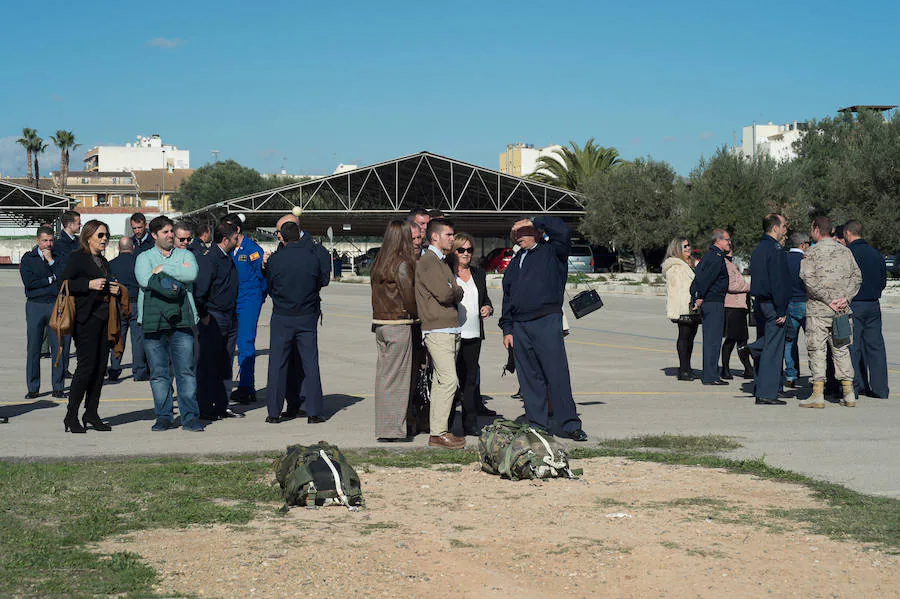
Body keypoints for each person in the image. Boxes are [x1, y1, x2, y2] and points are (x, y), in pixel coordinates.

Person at [499, 216, 587, 441]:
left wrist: (535, 219)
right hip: (520, 326)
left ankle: (569, 424)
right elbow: (507, 297)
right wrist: (507, 328)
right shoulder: (516, 262)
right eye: (516, 235)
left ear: (536, 232)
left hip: (546, 321)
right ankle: (538, 423)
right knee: (529, 378)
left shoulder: (552, 251)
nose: (520, 238)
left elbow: (564, 231)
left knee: (556, 374)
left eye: (524, 232)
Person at [135, 216, 204, 432]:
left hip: (182, 322)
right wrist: (175, 272)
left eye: (171, 231)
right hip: (153, 323)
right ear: (154, 235)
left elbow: (191, 273)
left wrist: (163, 268)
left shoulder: (186, 254)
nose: (170, 235)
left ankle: (190, 416)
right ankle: (164, 415)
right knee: (159, 373)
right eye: (165, 232)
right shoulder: (144, 257)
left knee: (186, 371)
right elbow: (145, 280)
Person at [264, 221, 331, 423]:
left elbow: (269, 286)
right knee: (310, 363)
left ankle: (274, 413)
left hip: (282, 315)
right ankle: (313, 412)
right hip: (306, 315)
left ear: (282, 238)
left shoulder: (275, 259)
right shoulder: (313, 258)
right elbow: (321, 281)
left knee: (277, 364)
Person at [61, 220, 123, 433]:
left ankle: (91, 413)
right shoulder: (78, 258)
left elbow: (106, 285)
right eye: (100, 235)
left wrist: (114, 289)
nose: (105, 239)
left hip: (104, 320)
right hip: (85, 320)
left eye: (106, 235)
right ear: (88, 237)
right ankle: (71, 415)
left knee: (99, 370)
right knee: (85, 368)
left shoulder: (104, 262)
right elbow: (64, 283)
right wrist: (87, 285)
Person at [799, 216, 862, 408]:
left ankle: (817, 394)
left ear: (817, 229)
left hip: (818, 311)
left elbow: (807, 278)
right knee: (842, 349)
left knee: (817, 350)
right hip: (841, 310)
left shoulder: (812, 252)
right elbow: (857, 277)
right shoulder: (845, 252)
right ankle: (849, 393)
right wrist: (845, 298)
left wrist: (828, 299)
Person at [415, 218, 466, 448]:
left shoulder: (442, 261)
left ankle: (437, 430)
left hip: (449, 328)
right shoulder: (428, 261)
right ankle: (438, 432)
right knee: (448, 380)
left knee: (440, 381)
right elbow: (446, 294)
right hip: (438, 329)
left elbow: (451, 291)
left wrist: (453, 290)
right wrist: (455, 291)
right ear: (435, 236)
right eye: (449, 235)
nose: (452, 239)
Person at [371, 220, 418, 441]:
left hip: (381, 323)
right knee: (398, 380)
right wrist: (418, 315)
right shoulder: (402, 264)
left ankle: (383, 427)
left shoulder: (379, 262)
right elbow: (409, 298)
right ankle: (394, 431)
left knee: (384, 379)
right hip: (399, 324)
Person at [194, 223, 243, 421]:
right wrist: (204, 315)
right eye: (234, 238)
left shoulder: (227, 258)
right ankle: (205, 407)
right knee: (208, 364)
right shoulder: (211, 259)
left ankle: (222, 405)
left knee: (225, 364)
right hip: (214, 317)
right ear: (225, 239)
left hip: (230, 317)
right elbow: (200, 291)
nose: (237, 241)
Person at [447, 232, 493, 436]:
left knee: (470, 381)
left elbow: (485, 299)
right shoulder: (447, 272)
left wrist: (487, 307)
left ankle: (470, 423)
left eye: (469, 250)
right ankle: (445, 423)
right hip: (451, 334)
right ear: (453, 251)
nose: (466, 254)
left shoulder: (479, 274)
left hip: (473, 334)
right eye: (461, 250)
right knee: (448, 381)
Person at [222, 214, 267, 404]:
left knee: (246, 344)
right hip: (232, 301)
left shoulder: (252, 250)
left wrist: (258, 299)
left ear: (237, 230)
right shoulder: (228, 250)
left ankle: (247, 387)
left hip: (248, 301)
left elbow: (263, 277)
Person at [748, 213, 791, 405]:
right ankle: (766, 393)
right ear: (775, 228)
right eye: (783, 226)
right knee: (773, 350)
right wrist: (782, 310)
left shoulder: (759, 248)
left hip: (760, 302)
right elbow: (778, 282)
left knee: (767, 344)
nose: (785, 229)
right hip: (772, 304)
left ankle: (750, 349)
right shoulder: (776, 249)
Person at [844, 220, 890, 399]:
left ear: (848, 233)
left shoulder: (848, 254)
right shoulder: (876, 254)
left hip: (854, 303)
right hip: (873, 303)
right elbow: (883, 280)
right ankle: (880, 389)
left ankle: (854, 388)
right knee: (876, 347)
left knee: (853, 346)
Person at [20, 226, 66, 399]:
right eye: (45, 240)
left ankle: (58, 386)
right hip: (35, 305)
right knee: (34, 347)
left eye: (51, 240)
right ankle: (33, 387)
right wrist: (49, 279)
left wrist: (52, 263)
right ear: (38, 241)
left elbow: (63, 279)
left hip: (55, 304)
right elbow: (29, 282)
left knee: (58, 347)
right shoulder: (28, 258)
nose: (48, 244)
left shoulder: (59, 258)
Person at [690, 229, 732, 386]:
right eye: (727, 239)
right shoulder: (716, 258)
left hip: (712, 301)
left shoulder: (711, 255)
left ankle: (710, 373)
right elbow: (705, 279)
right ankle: (710, 376)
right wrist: (699, 296)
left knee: (711, 340)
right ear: (719, 241)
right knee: (713, 341)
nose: (729, 242)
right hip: (713, 302)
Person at [107, 237, 148, 382]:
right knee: (137, 339)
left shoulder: (111, 265)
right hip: (136, 303)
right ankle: (139, 371)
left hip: (118, 304)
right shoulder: (138, 263)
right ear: (133, 248)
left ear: (118, 248)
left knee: (118, 337)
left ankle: (115, 368)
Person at [662, 237, 699, 381]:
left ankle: (687, 367)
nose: (688, 248)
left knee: (691, 337)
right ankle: (683, 369)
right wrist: (677, 309)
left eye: (689, 245)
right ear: (677, 249)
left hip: (693, 306)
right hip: (683, 306)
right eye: (685, 246)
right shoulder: (675, 266)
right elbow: (674, 290)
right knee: (684, 336)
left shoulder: (691, 263)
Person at [721, 246, 753, 380]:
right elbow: (730, 285)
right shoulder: (726, 265)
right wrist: (749, 286)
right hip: (732, 306)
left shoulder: (731, 264)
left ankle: (748, 368)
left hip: (739, 307)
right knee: (732, 339)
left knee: (741, 339)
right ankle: (726, 369)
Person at [55, 209, 81, 377]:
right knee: (64, 333)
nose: (80, 225)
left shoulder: (78, 242)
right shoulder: (59, 244)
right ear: (69, 224)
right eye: (78, 222)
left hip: (80, 292)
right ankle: (62, 368)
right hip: (66, 294)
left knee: (79, 334)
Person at [783, 232, 810, 387]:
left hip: (789, 303)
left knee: (789, 341)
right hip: (805, 302)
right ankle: (818, 375)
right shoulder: (805, 261)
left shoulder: (784, 260)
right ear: (803, 245)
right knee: (812, 341)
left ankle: (791, 375)